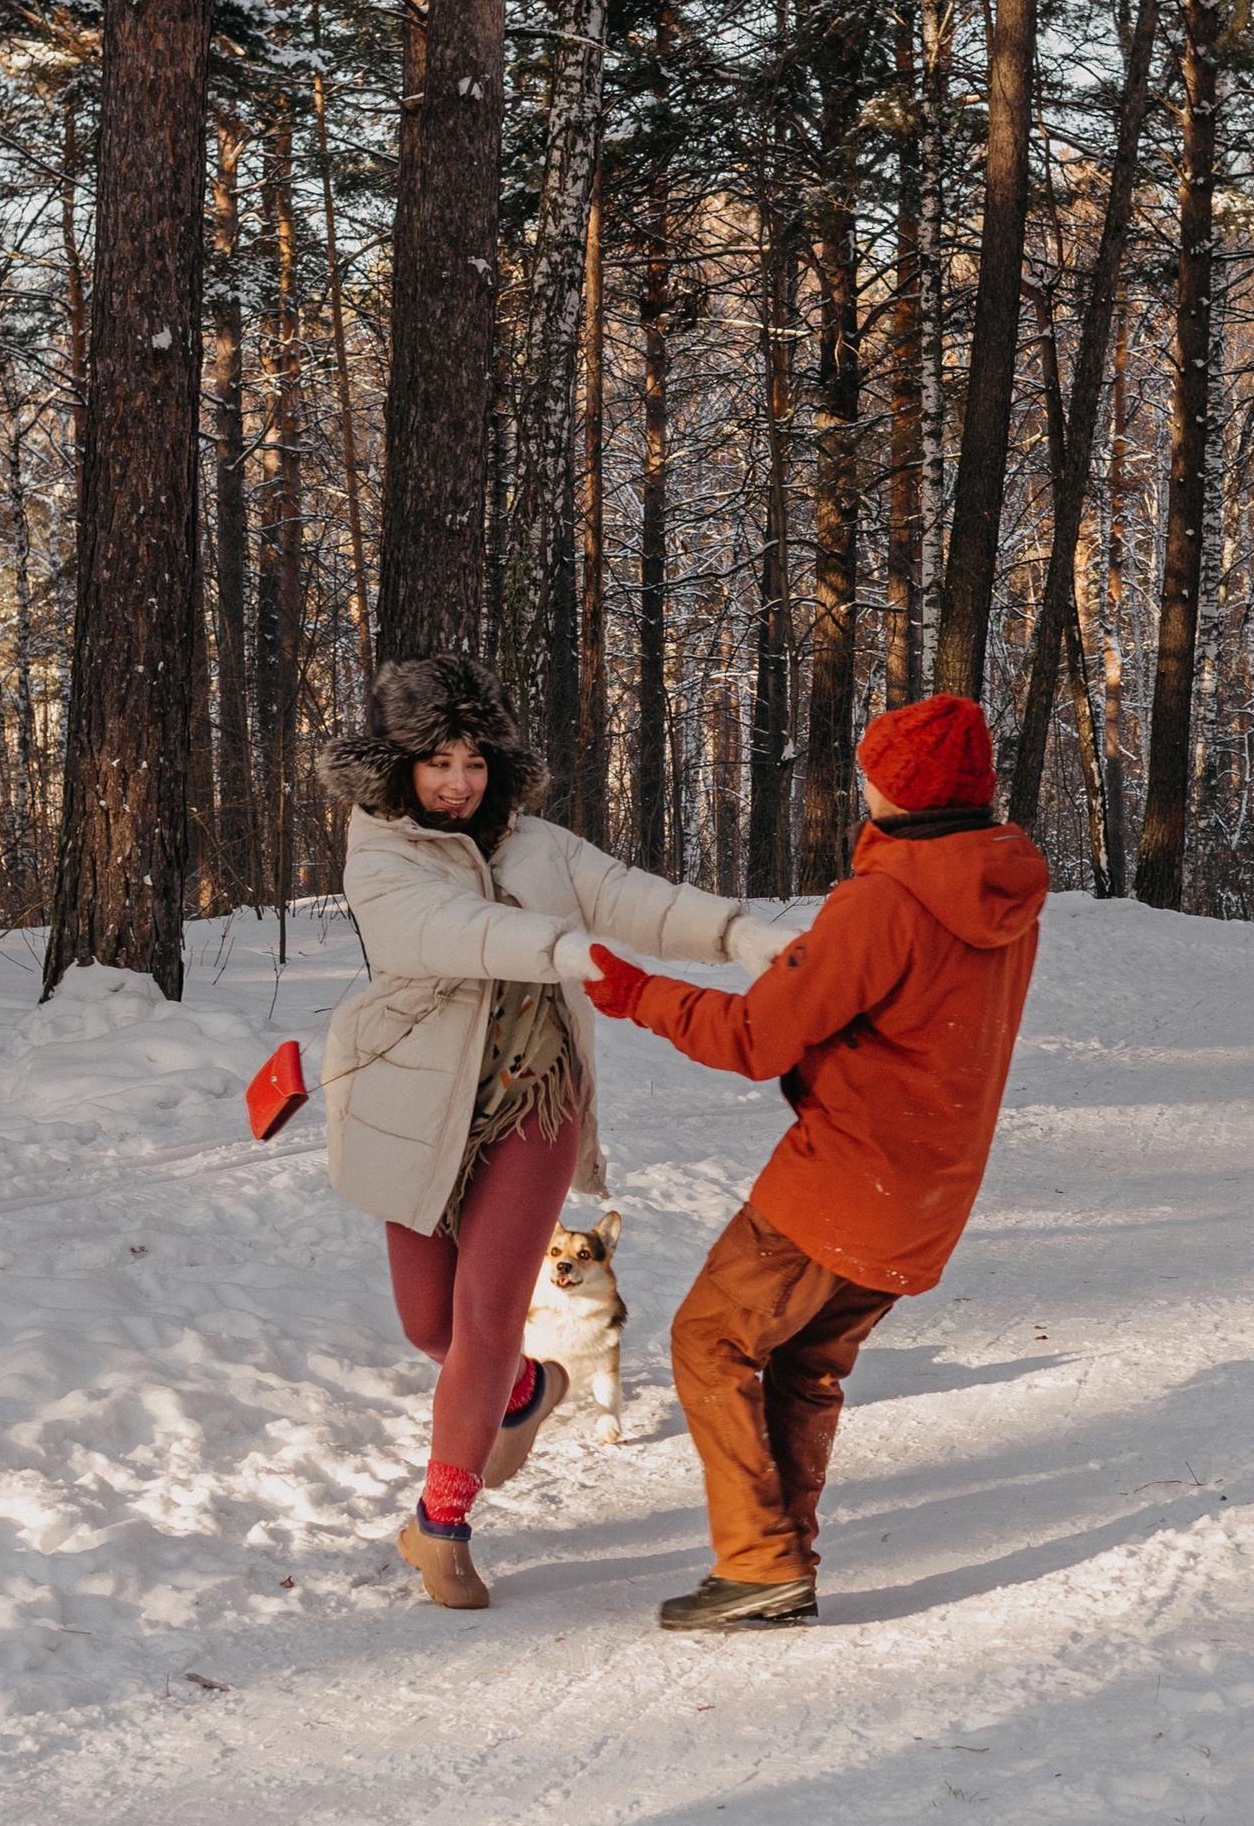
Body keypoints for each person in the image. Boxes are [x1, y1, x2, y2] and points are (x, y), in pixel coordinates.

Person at [318, 654, 781, 1612]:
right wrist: (565, 949)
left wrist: (738, 935)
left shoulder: (542, 847)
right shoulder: (379, 847)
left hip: (537, 1099)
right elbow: (443, 931)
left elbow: (636, 899)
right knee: (429, 1325)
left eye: (475, 762)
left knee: (487, 1314)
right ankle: (525, 1390)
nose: (457, 782)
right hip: (419, 1098)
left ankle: (440, 1525)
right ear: (399, 763)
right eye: (438, 761)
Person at [585, 691, 1048, 1630]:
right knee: (803, 1365)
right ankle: (778, 1564)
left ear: (901, 791)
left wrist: (637, 992)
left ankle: (759, 1564)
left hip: (842, 1181)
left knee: (708, 1340)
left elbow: (753, 1038)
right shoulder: (1002, 896)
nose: (862, 789)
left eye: (873, 774)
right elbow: (901, 1010)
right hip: (928, 1191)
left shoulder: (885, 899)